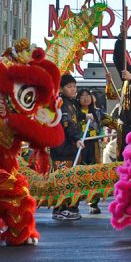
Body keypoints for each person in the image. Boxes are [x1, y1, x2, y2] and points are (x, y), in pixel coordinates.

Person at [50, 74, 84, 221]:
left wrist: (85, 116)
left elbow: (75, 118)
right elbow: (67, 123)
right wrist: (76, 139)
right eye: (69, 87)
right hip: (61, 149)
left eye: (74, 86)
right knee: (62, 179)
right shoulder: (61, 103)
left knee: (69, 179)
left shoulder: (70, 103)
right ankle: (59, 209)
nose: (73, 89)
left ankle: (68, 206)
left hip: (68, 149)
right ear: (60, 88)